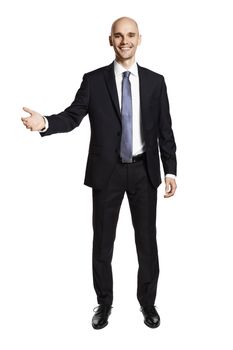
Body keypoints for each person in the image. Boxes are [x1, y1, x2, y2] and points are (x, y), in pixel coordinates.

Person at [21, 16, 177, 329]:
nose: (125, 41)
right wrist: (47, 123)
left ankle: (148, 304)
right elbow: (73, 116)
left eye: (130, 35)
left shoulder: (156, 82)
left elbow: (165, 130)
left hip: (144, 172)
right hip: (107, 174)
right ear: (110, 40)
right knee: (103, 243)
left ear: (139, 39)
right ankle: (104, 304)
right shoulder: (94, 81)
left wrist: (170, 171)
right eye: (118, 36)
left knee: (147, 242)